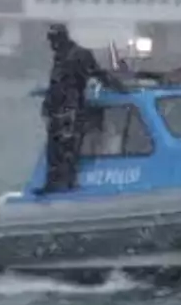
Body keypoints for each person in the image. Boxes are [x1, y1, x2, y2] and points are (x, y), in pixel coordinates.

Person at [36, 23, 126, 195]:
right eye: (51, 40)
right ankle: (52, 183)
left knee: (69, 148)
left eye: (54, 40)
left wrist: (119, 87)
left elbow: (98, 73)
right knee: (54, 149)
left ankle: (68, 183)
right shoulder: (60, 57)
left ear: (62, 37)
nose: (52, 44)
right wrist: (47, 106)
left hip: (72, 109)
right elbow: (55, 84)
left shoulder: (80, 54)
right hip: (57, 109)